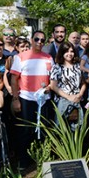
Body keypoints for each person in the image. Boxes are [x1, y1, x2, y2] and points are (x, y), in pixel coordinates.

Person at [9, 32, 54, 165]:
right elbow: (14, 79)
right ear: (31, 40)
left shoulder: (48, 58)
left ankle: (41, 157)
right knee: (26, 130)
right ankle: (24, 159)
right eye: (36, 39)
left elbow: (53, 78)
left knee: (44, 129)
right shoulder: (20, 57)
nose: (39, 42)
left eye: (42, 40)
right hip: (26, 98)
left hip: (44, 99)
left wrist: (50, 87)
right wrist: (15, 99)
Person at [49, 42, 87, 125]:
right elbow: (53, 86)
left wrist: (80, 94)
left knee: (77, 128)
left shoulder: (77, 66)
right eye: (66, 51)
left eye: (71, 51)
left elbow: (83, 83)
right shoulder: (57, 67)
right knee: (62, 128)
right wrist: (68, 97)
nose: (69, 54)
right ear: (62, 53)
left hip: (77, 100)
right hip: (62, 101)